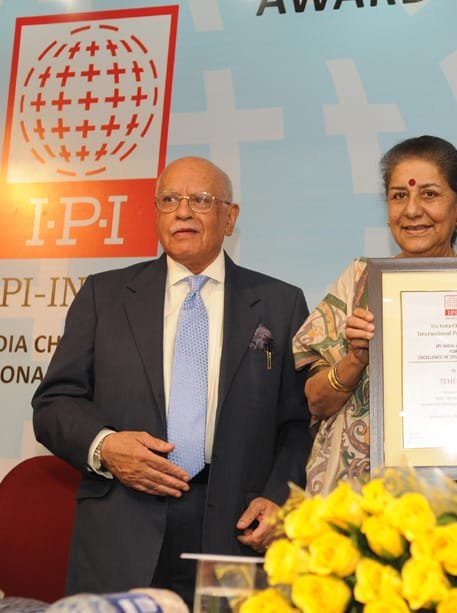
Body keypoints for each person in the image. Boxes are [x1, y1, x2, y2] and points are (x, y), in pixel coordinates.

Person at [32, 157, 311, 604]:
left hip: (235, 529)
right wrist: (105, 446)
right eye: (169, 200)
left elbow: (299, 423)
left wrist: (280, 496)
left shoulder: (280, 303)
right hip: (123, 522)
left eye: (200, 200)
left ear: (230, 217)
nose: (182, 212)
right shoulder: (104, 295)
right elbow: (54, 404)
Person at [293, 135, 457, 579]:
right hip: (356, 522)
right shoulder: (358, 283)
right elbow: (314, 402)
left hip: (453, 520)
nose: (412, 210)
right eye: (398, 195)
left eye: (429, 194)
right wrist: (354, 359)